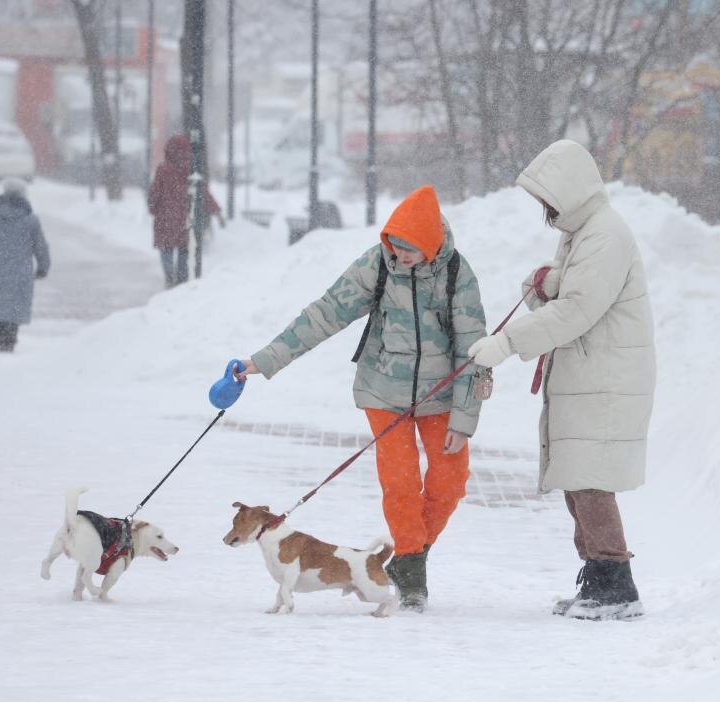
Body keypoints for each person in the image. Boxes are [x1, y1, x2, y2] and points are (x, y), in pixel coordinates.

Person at [233, 185, 488, 612]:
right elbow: (325, 313)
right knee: (401, 484)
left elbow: (474, 349)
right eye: (395, 246)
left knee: (450, 482)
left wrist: (464, 416)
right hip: (382, 392)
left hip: (442, 396)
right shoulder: (378, 264)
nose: (400, 256)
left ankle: (412, 555)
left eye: (410, 250)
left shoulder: (457, 275)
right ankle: (410, 569)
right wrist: (265, 359)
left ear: (431, 245)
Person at [468, 139, 656, 622]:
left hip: (605, 379)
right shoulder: (582, 232)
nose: (546, 212)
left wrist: (507, 342)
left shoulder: (605, 235)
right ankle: (597, 580)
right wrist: (549, 281)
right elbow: (575, 292)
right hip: (588, 373)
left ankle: (616, 588)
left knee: (589, 479)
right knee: (577, 476)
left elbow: (577, 311)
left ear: (569, 191)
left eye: (549, 201)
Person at [0, 178, 51, 353]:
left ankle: (1, 338)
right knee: (14, 308)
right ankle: (10, 339)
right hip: (20, 273)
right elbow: (40, 246)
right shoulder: (30, 220)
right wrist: (43, 267)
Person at [148, 133, 223, 288]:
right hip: (184, 219)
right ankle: (181, 280)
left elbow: (155, 192)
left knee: (166, 249)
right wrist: (216, 210)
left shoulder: (163, 170)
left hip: (165, 218)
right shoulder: (191, 170)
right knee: (183, 249)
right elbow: (203, 192)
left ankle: (169, 276)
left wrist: (153, 207)